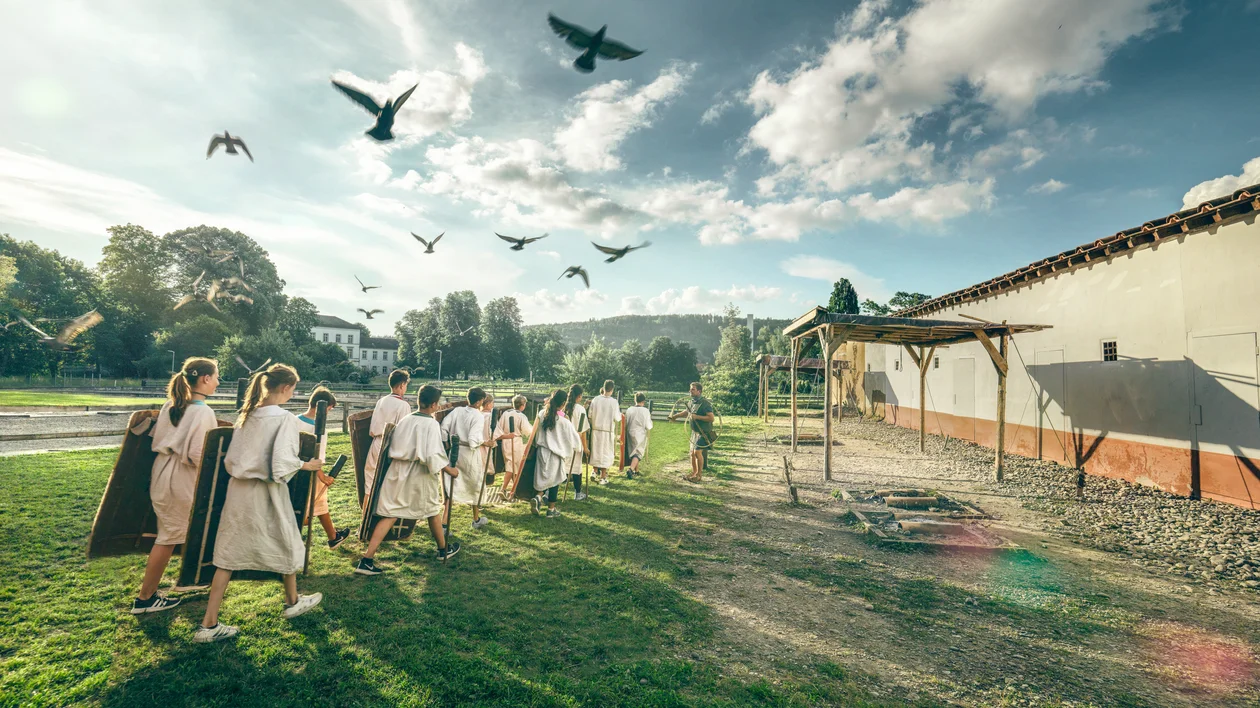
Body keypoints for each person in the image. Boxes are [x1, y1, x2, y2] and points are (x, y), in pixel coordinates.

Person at [195, 364, 324, 643]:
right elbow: (281, 463)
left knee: (228, 554)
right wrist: (306, 465)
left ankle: (210, 623)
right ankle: (290, 602)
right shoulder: (284, 418)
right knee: (286, 539)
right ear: (285, 388)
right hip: (266, 491)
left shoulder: (247, 414)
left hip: (238, 490)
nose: (293, 394)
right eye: (293, 389)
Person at [131, 357, 220, 614]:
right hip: (180, 476)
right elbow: (197, 454)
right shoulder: (202, 412)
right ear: (205, 378)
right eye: (216, 377)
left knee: (174, 533)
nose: (217, 382)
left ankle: (187, 581)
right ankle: (145, 598)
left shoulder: (171, 404)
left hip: (162, 470)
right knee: (169, 536)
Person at [354, 385, 461, 575]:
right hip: (418, 474)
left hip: (397, 471)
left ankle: (367, 559)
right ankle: (442, 550)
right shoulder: (431, 424)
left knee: (391, 514)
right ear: (434, 404)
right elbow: (433, 455)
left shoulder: (406, 419)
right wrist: (449, 470)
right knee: (432, 510)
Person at [295, 386, 349, 550]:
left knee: (318, 505)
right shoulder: (320, 429)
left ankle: (333, 536)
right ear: (325, 408)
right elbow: (317, 458)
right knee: (310, 508)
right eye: (330, 409)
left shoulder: (293, 421)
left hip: (294, 471)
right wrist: (323, 477)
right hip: (311, 473)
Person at [440, 388, 490, 529]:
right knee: (475, 484)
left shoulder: (457, 411)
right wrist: (486, 443)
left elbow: (444, 428)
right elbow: (473, 440)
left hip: (455, 452)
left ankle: (445, 524)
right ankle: (475, 519)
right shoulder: (478, 416)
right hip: (469, 454)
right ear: (479, 401)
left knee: (452, 485)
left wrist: (447, 443)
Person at [363, 369, 412, 504]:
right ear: (402, 385)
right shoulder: (403, 405)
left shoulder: (381, 401)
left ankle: (365, 514)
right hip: (390, 445)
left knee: (370, 484)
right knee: (388, 484)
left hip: (375, 443)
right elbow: (403, 433)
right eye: (406, 385)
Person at [531, 388, 581, 518]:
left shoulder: (542, 414)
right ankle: (551, 509)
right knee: (554, 481)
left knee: (543, 478)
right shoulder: (564, 422)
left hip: (542, 451)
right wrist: (578, 447)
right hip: (556, 454)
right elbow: (575, 440)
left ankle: (538, 497)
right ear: (563, 403)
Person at [668, 381, 715, 483]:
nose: (690, 391)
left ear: (699, 391)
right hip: (695, 433)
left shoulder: (705, 403)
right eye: (690, 389)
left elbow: (711, 418)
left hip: (704, 433)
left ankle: (699, 475)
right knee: (692, 454)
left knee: (697, 452)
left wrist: (697, 417)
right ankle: (694, 473)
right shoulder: (692, 402)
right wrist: (675, 416)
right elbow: (687, 412)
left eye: (693, 389)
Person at [494, 395, 532, 496]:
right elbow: (528, 431)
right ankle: (504, 488)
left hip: (505, 440)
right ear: (523, 405)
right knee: (513, 465)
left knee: (511, 464)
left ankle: (515, 489)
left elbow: (499, 427)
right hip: (515, 440)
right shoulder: (521, 416)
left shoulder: (506, 413)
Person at [587, 379, 622, 484]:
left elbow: (589, 415)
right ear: (612, 389)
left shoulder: (595, 400)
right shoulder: (614, 402)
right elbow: (617, 418)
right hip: (607, 431)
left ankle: (594, 471)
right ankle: (602, 477)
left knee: (596, 451)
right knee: (606, 453)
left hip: (596, 430)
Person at [561, 384, 591, 497]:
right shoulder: (580, 409)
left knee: (562, 466)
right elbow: (583, 431)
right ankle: (578, 493)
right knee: (577, 467)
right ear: (579, 396)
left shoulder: (563, 407)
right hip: (576, 441)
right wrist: (585, 447)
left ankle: (549, 492)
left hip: (563, 441)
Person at [623, 392, 654, 478]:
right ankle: (630, 469)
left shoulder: (630, 410)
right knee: (638, 453)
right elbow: (648, 425)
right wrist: (651, 423)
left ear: (635, 400)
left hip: (630, 432)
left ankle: (636, 471)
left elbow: (626, 422)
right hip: (640, 433)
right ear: (643, 401)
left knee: (633, 452)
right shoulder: (645, 411)